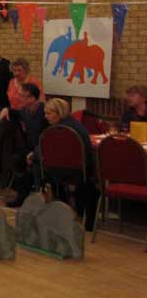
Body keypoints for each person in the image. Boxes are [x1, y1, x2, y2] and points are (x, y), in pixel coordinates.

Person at [40, 98, 98, 228]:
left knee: (39, 166)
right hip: (80, 171)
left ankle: (59, 210)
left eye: (48, 113)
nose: (46, 117)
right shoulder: (76, 126)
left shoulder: (57, 130)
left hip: (59, 171)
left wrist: (34, 155)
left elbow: (45, 150)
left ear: (59, 113)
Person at [0, 83, 46, 207]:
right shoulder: (25, 110)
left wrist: (35, 152)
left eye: (22, 96)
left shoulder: (45, 112)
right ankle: (22, 195)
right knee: (16, 160)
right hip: (30, 148)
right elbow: (15, 113)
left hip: (44, 151)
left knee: (34, 164)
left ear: (32, 98)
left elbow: (48, 138)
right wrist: (6, 109)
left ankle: (38, 198)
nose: (19, 98)